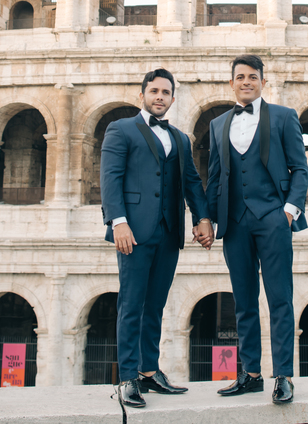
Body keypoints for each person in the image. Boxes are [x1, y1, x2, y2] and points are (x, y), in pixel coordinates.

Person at [101, 68, 213, 408]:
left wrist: (202, 217)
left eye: (166, 92)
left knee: (155, 306)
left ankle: (149, 371)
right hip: (133, 232)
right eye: (154, 91)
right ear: (143, 95)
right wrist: (118, 222)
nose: (160, 97)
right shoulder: (120, 129)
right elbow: (110, 177)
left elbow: (192, 182)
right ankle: (128, 378)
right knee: (131, 304)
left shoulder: (180, 138)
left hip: (168, 234)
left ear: (173, 99)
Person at [204, 54, 308, 404]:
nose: (246, 81)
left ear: (262, 81)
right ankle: (250, 374)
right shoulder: (219, 124)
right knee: (244, 302)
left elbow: (300, 168)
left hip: (273, 220)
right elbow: (215, 178)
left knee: (280, 299)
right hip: (234, 224)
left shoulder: (283, 117)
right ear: (231, 83)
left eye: (253, 76)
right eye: (240, 76)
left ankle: (283, 376)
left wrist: (289, 212)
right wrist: (207, 218)